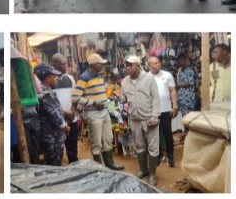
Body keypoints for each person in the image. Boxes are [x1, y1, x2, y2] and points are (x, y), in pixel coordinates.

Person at [72, 54, 124, 170]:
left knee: (108, 138)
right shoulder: (84, 77)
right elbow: (75, 97)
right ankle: (100, 168)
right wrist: (94, 103)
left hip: (104, 112)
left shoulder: (99, 76)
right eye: (101, 64)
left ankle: (109, 164)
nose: (103, 66)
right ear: (94, 65)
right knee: (97, 142)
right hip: (93, 114)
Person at [114, 56, 160, 185]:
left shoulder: (149, 78)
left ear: (138, 66)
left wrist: (155, 117)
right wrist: (119, 96)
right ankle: (143, 169)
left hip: (149, 118)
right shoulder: (125, 82)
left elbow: (155, 98)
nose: (128, 68)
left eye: (131, 65)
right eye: (126, 66)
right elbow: (123, 100)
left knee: (153, 148)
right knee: (139, 146)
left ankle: (152, 174)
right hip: (134, 119)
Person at [34, 64, 70, 166]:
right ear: (47, 78)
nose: (56, 78)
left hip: (51, 134)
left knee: (53, 160)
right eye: (54, 76)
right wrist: (65, 127)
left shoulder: (46, 90)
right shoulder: (44, 93)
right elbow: (54, 114)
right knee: (54, 162)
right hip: (51, 136)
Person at [147, 56, 178, 167]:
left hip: (166, 110)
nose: (158, 64)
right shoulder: (146, 77)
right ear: (149, 65)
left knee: (167, 133)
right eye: (155, 63)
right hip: (153, 111)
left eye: (159, 62)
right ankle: (159, 156)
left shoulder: (167, 75)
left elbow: (173, 90)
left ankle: (170, 156)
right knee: (155, 135)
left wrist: (174, 106)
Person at [50, 53, 78, 164]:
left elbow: (75, 97)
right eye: (62, 64)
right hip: (58, 122)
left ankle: (75, 170)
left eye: (66, 63)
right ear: (54, 64)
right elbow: (50, 103)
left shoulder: (70, 78)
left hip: (72, 120)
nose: (65, 66)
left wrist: (72, 111)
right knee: (58, 152)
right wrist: (65, 113)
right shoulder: (50, 80)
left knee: (73, 150)